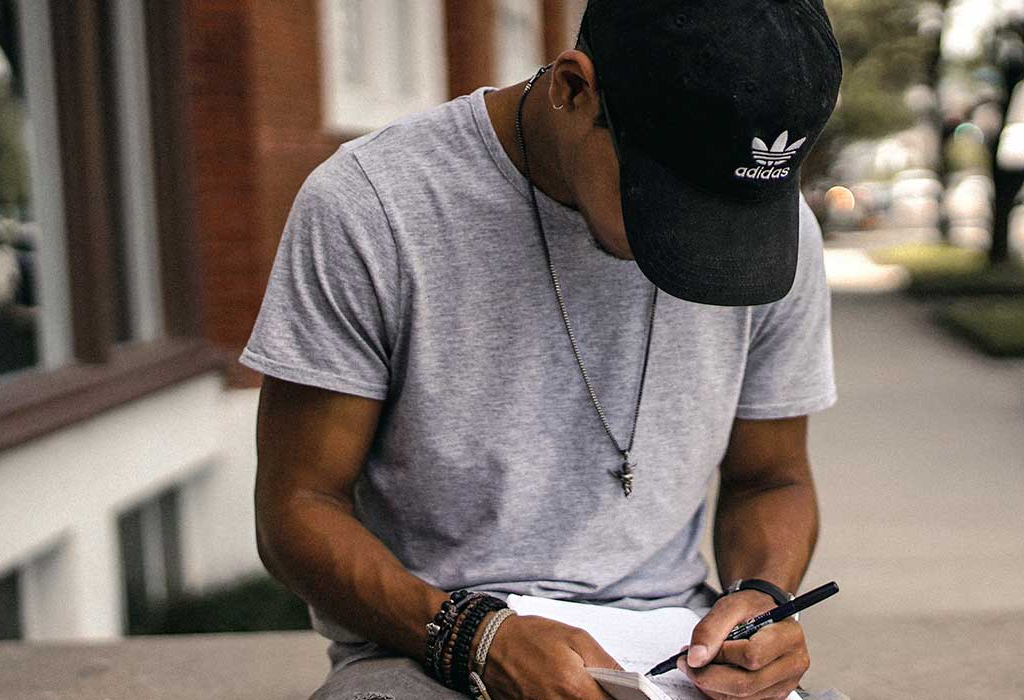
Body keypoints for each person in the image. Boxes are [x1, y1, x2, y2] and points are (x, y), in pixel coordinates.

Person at [240, 1, 843, 698]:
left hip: (673, 653)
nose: (702, 245)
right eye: (669, 199)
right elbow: (298, 505)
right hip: (428, 645)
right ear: (573, 88)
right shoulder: (375, 205)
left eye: (730, 210)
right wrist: (474, 638)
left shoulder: (772, 239)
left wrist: (762, 600)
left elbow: (771, 478)